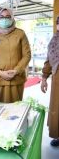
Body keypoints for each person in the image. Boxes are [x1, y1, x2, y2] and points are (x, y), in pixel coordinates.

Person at [0, 8, 31, 103]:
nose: (4, 19)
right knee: (0, 108)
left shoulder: (20, 34)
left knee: (16, 109)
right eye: (1, 17)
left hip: (17, 78)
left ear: (12, 18)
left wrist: (16, 70)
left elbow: (27, 55)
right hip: (0, 79)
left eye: (7, 17)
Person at [40, 16, 59, 147]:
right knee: (57, 110)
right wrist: (44, 78)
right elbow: (48, 60)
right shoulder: (54, 40)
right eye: (58, 22)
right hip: (57, 81)